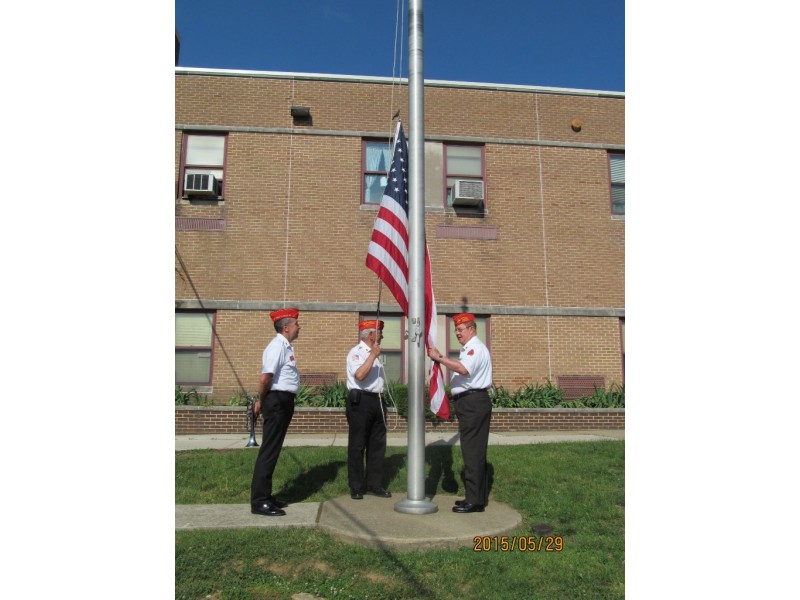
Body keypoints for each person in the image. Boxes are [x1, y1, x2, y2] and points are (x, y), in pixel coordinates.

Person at [427, 313, 493, 513]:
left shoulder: (474, 348)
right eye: (456, 329)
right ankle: (475, 498)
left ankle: (475, 500)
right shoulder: (470, 348)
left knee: (472, 451)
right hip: (470, 403)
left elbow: (463, 369)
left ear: (471, 329)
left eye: (460, 329)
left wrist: (439, 357)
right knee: (472, 451)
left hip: (473, 402)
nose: (457, 333)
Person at [250, 307, 301, 516]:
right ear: (286, 327)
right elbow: (265, 378)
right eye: (297, 323)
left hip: (283, 400)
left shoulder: (286, 346)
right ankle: (259, 501)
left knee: (273, 450)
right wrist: (261, 401)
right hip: (276, 400)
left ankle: (267, 496)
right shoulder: (277, 346)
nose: (300, 326)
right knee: (269, 451)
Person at [345, 319, 392, 500]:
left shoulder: (375, 353)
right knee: (358, 445)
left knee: (377, 445)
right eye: (379, 332)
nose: (382, 335)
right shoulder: (356, 353)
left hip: (377, 400)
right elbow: (360, 375)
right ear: (370, 334)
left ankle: (375, 484)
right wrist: (372, 356)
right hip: (361, 400)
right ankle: (356, 486)